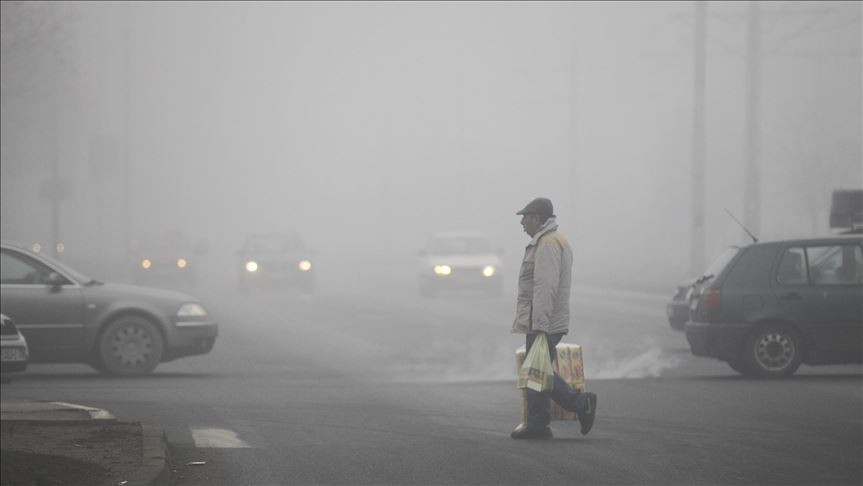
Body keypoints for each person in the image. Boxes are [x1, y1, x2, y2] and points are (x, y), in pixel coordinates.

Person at [510, 197, 597, 439]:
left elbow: (545, 287)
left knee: (537, 370)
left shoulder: (547, 244)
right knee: (537, 370)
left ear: (537, 219)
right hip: (544, 320)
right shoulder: (550, 240)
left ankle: (581, 403)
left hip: (544, 322)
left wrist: (539, 325)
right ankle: (538, 423)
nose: (522, 223)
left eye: (525, 218)